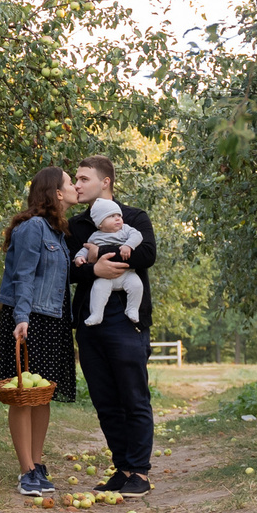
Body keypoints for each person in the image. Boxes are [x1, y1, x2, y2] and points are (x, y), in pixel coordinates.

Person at [68, 156, 155, 495]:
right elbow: (69, 270)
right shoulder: (76, 226)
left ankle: (140, 472)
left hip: (126, 319)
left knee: (133, 396)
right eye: (75, 179)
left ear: (104, 182)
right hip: (90, 323)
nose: (76, 185)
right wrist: (93, 270)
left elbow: (147, 254)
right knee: (105, 401)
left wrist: (99, 258)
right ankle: (122, 468)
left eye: (83, 178)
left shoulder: (134, 217)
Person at [0, 164, 76, 499]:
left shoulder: (58, 231)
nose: (74, 188)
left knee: (42, 396)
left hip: (53, 320)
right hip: (30, 320)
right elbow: (23, 276)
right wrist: (21, 317)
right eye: (70, 183)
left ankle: (38, 465)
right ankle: (26, 470)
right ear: (56, 192)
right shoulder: (33, 227)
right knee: (24, 397)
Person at [74, 198, 145, 326]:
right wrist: (79, 258)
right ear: (100, 223)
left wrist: (128, 245)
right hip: (104, 276)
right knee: (98, 289)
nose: (117, 218)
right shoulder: (95, 236)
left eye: (119, 215)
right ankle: (96, 314)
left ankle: (132, 309)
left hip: (126, 274)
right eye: (111, 216)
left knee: (137, 285)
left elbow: (138, 236)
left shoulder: (126, 229)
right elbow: (86, 248)